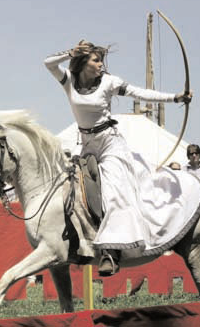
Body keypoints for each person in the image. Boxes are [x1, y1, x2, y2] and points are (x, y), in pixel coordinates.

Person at [44, 40, 192, 276]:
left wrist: (175, 98)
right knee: (75, 192)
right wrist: (70, 52)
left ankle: (111, 254)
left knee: (113, 193)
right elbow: (48, 63)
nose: (101, 64)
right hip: (86, 146)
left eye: (101, 60)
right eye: (96, 59)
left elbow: (140, 93)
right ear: (83, 62)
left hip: (111, 144)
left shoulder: (109, 82)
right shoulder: (69, 82)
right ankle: (79, 242)